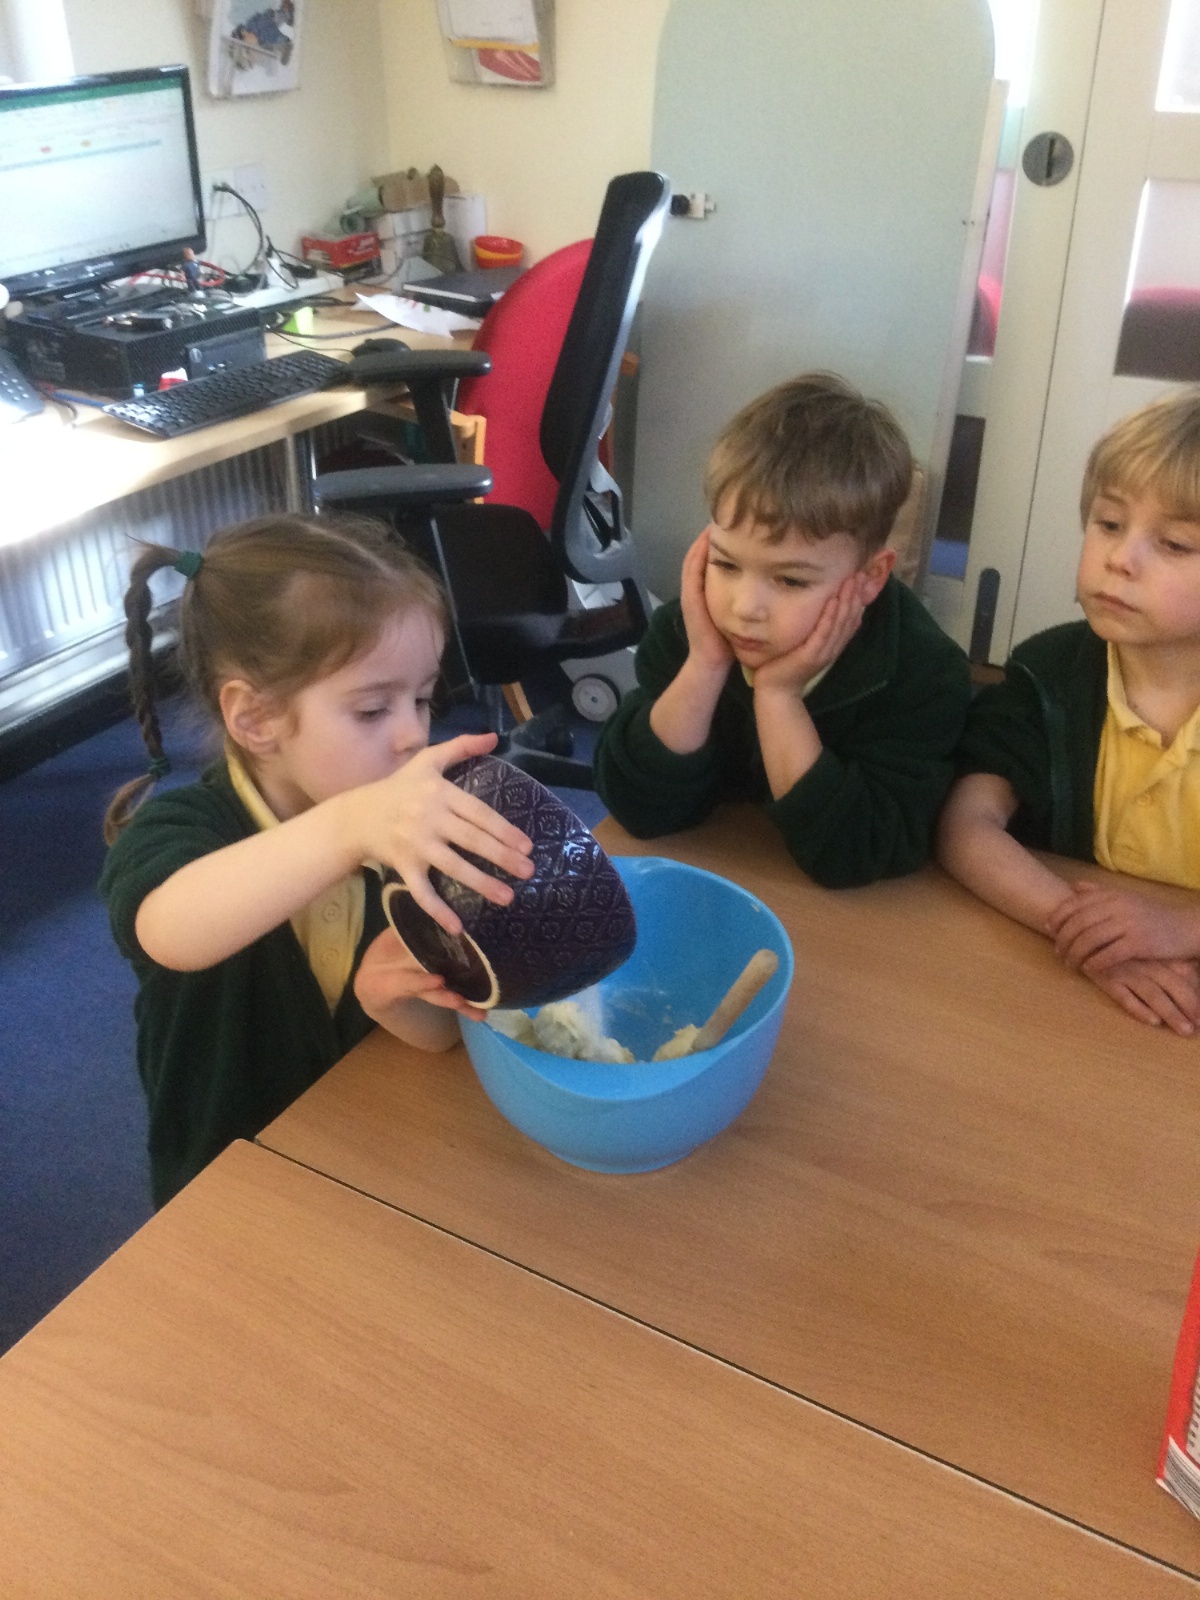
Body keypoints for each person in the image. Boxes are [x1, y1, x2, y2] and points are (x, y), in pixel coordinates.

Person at [99, 513, 534, 1206]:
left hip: (356, 1160)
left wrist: (391, 1002)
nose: (413, 735)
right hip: (219, 1191)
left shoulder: (395, 834)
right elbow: (168, 929)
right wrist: (351, 828)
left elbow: (439, 1037)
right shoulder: (187, 827)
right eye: (372, 710)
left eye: (423, 699)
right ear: (256, 719)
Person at [593, 373, 972, 887]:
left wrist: (778, 698)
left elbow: (860, 850)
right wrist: (704, 665)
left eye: (791, 580)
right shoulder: (688, 634)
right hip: (716, 880)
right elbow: (638, 809)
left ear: (870, 577)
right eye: (726, 564)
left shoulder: (922, 670)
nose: (744, 608)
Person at [937, 387, 1200, 1036]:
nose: (1121, 559)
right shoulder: (1048, 671)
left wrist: (1179, 928)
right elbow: (966, 825)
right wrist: (1089, 934)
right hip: (1061, 1006)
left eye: (1174, 543)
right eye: (1109, 524)